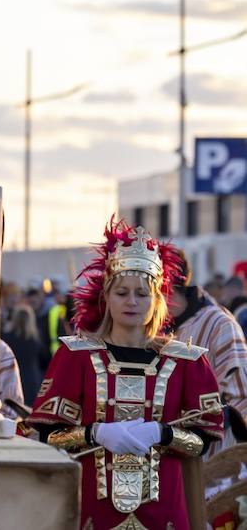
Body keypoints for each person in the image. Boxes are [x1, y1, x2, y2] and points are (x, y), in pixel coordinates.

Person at [28, 220, 222, 529]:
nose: (131, 302)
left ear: (157, 300)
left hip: (165, 516)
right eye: (122, 292)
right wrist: (96, 434)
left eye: (142, 294)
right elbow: (45, 436)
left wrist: (163, 434)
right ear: (106, 296)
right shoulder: (76, 356)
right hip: (91, 512)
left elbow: (204, 439)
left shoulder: (188, 362)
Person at [167, 247, 247, 455]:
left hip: (213, 466)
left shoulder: (219, 325)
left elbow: (241, 401)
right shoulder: (146, 327)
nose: (133, 300)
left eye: (141, 289)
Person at [0, 304, 45, 405]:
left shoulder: (7, 338)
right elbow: (44, 360)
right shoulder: (36, 340)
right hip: (32, 380)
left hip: (12, 378)